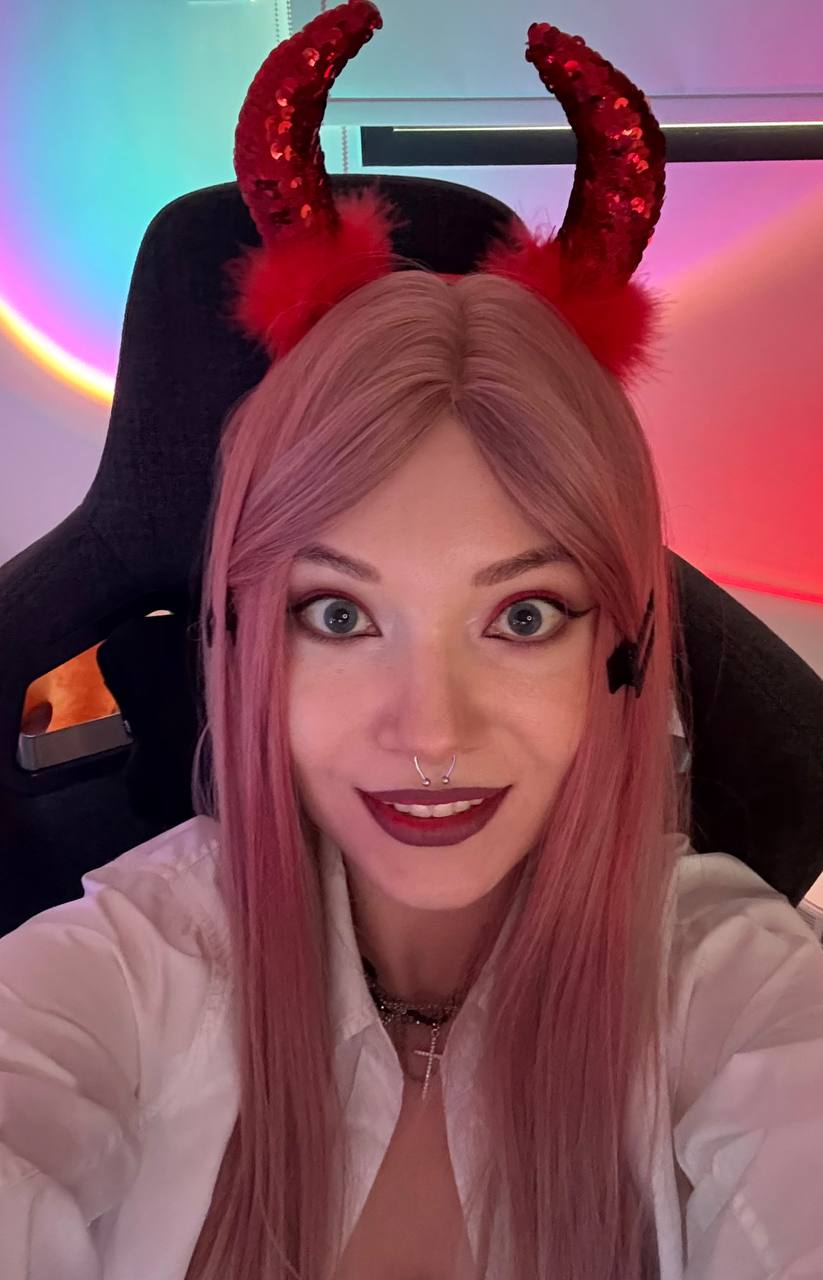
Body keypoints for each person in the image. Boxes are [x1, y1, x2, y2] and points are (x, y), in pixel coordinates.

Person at [2, 4, 823, 1279]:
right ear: (247, 644)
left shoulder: (726, 990)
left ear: (617, 647)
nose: (431, 726)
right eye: (338, 614)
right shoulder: (134, 966)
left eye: (523, 615)